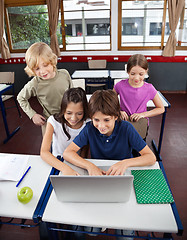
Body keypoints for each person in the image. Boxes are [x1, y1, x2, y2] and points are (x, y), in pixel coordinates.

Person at [63, 89, 156, 239]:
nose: (101, 126)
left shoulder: (126, 128)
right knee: (91, 232)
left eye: (106, 120)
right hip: (99, 179)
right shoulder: (89, 129)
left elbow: (151, 157)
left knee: (125, 236)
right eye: (96, 120)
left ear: (116, 116)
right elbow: (68, 153)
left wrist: (125, 163)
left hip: (123, 179)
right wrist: (89, 165)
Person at [17, 42, 73, 135]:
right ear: (32, 69)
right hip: (50, 122)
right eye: (37, 68)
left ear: (52, 61)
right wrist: (33, 115)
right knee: (50, 148)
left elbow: (73, 95)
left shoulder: (65, 74)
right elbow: (21, 98)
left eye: (45, 65)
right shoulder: (35, 83)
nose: (42, 71)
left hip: (70, 120)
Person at [113, 54, 164, 139]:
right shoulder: (119, 85)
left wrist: (143, 114)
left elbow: (161, 108)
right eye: (133, 74)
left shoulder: (149, 88)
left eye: (141, 74)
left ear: (146, 71)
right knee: (123, 149)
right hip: (123, 123)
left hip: (140, 125)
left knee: (138, 151)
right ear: (128, 71)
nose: (136, 78)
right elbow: (110, 102)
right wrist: (118, 111)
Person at [40, 87, 89, 175]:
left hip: (78, 163)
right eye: (69, 113)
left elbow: (85, 152)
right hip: (57, 162)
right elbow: (44, 152)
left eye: (79, 113)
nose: (73, 118)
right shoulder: (53, 121)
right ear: (63, 110)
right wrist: (65, 168)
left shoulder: (88, 123)